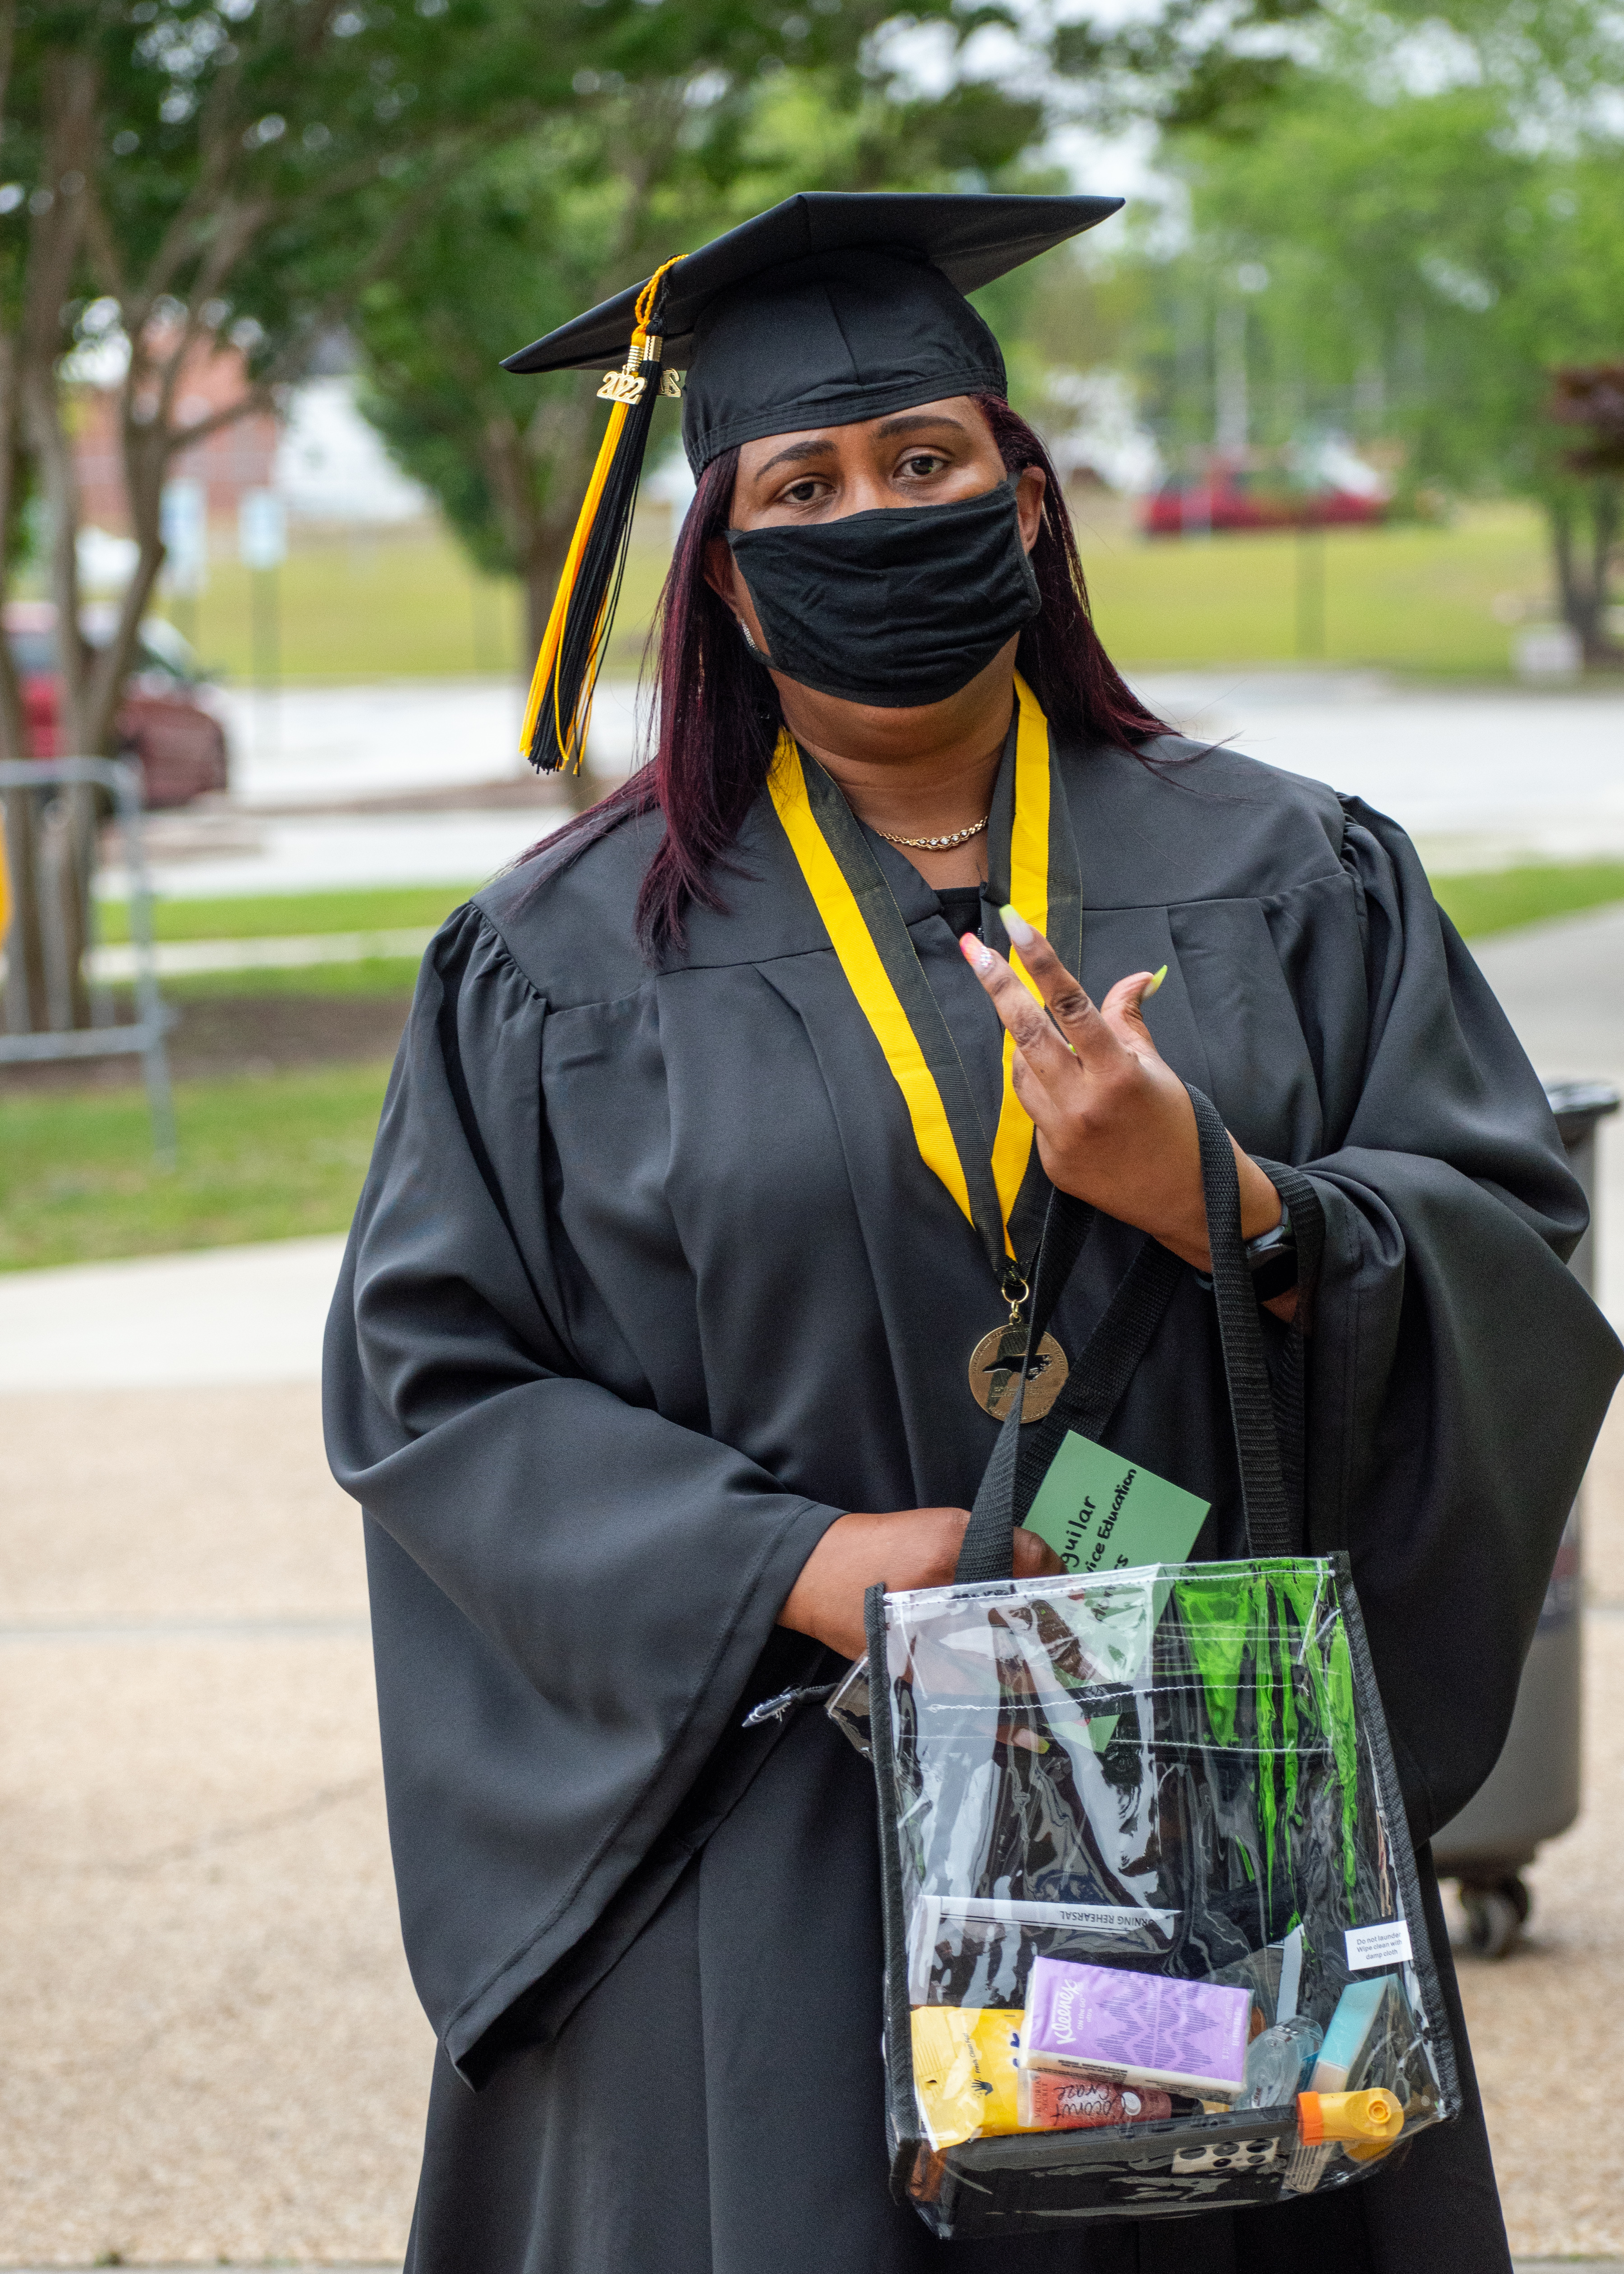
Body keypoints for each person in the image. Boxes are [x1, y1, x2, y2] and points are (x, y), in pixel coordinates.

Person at [324, 193, 1621, 2274]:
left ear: (1024, 499)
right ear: (728, 587)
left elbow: (1508, 1254)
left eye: (925, 462)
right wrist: (802, 1563)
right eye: (802, 488)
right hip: (763, 1832)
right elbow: (433, 1387)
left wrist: (1237, 1202)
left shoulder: (1289, 871)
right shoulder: (552, 962)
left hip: (1197, 1796)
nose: (877, 516)